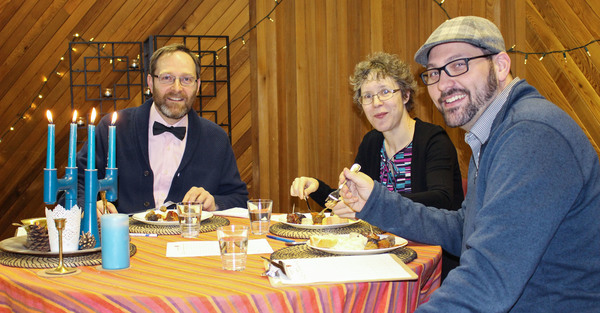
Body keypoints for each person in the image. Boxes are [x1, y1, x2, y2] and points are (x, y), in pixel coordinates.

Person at [329, 16, 600, 312]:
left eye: (459, 65)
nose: (444, 84)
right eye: (433, 73)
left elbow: (488, 280)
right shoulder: (491, 134)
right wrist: (375, 201)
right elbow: (463, 229)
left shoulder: (531, 133)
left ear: (500, 65)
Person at [290, 52, 464, 279]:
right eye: (368, 96)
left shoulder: (433, 140)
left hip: (433, 263)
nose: (376, 103)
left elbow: (442, 200)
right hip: (383, 257)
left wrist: (374, 203)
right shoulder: (371, 142)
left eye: (385, 92)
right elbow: (353, 202)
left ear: (405, 95)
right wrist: (317, 187)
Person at [75, 44, 248, 215]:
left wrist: (214, 203)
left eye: (186, 79)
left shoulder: (216, 138)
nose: (177, 88)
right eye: (167, 78)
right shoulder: (112, 129)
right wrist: (88, 206)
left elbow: (238, 199)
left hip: (189, 240)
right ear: (150, 82)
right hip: (123, 241)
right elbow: (75, 185)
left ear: (198, 85)